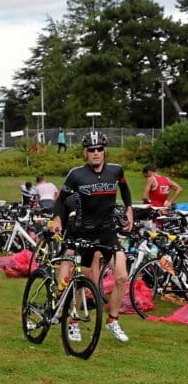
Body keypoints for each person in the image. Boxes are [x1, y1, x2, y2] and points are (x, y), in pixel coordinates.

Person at [52, 131, 134, 343]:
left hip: (107, 232)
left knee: (122, 277)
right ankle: (73, 321)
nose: (96, 153)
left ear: (104, 151)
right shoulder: (76, 174)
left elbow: (125, 190)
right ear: (85, 153)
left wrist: (130, 209)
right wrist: (58, 220)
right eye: (91, 150)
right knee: (84, 280)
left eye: (99, 149)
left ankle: (113, 320)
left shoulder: (116, 171)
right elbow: (61, 200)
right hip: (83, 232)